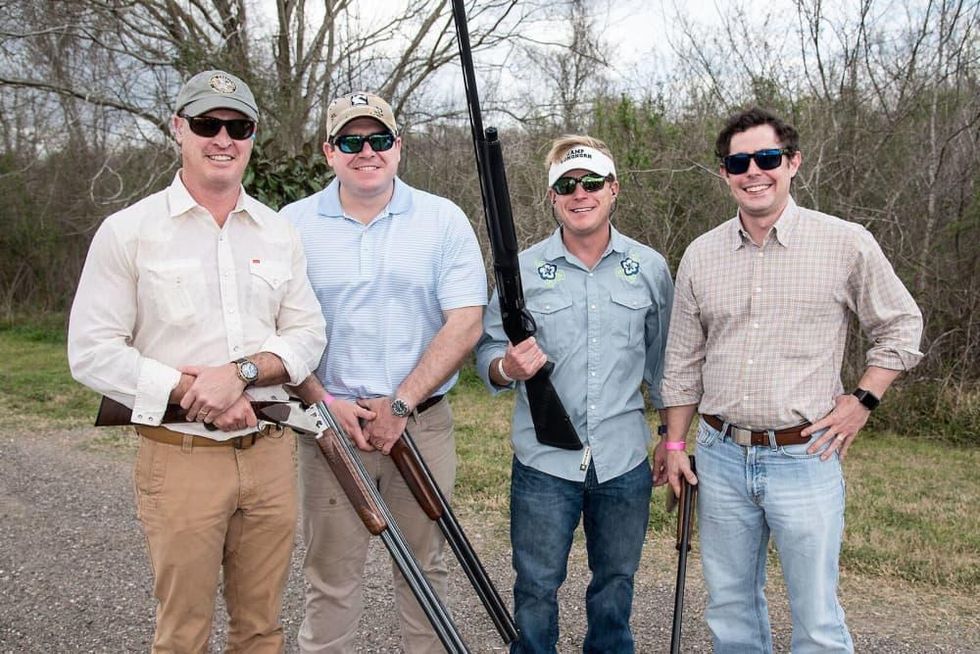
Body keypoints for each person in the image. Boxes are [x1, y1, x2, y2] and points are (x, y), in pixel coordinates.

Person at [67, 70, 327, 652]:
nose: (223, 139)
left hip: (268, 454)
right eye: (208, 124)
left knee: (261, 630)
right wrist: (194, 393)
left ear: (252, 136)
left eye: (239, 127)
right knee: (183, 633)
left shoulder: (278, 232)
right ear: (178, 128)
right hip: (181, 456)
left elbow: (308, 333)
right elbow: (92, 351)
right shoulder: (128, 231)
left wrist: (241, 375)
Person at [662, 107, 923, 653]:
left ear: (793, 162)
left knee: (817, 619)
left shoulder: (845, 242)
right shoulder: (701, 255)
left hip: (805, 455)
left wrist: (862, 400)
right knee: (730, 611)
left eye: (767, 157)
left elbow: (901, 325)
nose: (753, 171)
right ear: (724, 173)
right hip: (720, 456)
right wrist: (677, 444)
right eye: (739, 162)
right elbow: (683, 361)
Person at [280, 91, 487, 653]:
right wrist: (323, 401)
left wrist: (400, 403)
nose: (366, 151)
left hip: (421, 424)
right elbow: (275, 326)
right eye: (350, 141)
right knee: (330, 579)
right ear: (329, 151)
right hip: (330, 428)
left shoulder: (442, 219)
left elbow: (466, 320)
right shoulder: (291, 224)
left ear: (398, 146)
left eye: (378, 139)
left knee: (426, 573)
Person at [475, 135, 674, 653]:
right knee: (536, 586)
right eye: (566, 185)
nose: (579, 193)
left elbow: (666, 365)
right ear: (552, 197)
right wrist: (506, 366)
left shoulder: (649, 268)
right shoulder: (520, 271)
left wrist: (670, 438)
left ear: (613, 189)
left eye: (591, 182)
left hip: (623, 460)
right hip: (544, 462)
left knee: (616, 584)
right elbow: (487, 353)